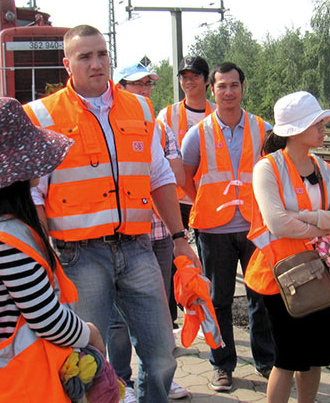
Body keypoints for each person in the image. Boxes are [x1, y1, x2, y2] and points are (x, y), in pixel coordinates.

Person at [22, 24, 200, 402]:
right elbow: (34, 195)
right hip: (78, 255)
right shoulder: (40, 115)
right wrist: (45, 256)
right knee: (87, 358)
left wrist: (180, 239)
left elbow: (159, 175)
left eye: (102, 54)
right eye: (85, 56)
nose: (96, 63)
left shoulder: (138, 107)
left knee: (162, 355)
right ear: (66, 63)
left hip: (137, 248)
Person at [0, 97, 105, 402]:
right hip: (24, 389)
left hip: (1, 388)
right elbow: (48, 320)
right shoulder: (4, 237)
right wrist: (90, 334)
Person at [245, 91, 330, 402]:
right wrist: (324, 224)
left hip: (319, 273)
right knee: (288, 358)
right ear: (293, 130)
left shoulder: (326, 170)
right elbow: (276, 223)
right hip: (281, 278)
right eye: (316, 122)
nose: (323, 126)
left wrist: (307, 218)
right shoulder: (267, 168)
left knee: (315, 357)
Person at [180, 62, 276, 391]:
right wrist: (206, 202)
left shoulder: (262, 130)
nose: (229, 92)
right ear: (212, 90)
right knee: (218, 300)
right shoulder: (198, 134)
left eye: (234, 85)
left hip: (255, 228)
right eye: (222, 86)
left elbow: (276, 172)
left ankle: (266, 362)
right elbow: (186, 177)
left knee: (261, 295)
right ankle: (223, 364)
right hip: (213, 230)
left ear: (243, 87)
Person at [109, 62, 189, 401]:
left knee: (158, 312)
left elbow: (175, 177)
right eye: (137, 85)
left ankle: (158, 379)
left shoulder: (159, 128)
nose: (145, 91)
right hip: (124, 236)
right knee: (117, 319)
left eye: (148, 85)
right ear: (120, 87)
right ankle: (120, 381)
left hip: (159, 237)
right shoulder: (108, 127)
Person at [157, 56, 216, 326]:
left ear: (206, 80)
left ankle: (205, 313)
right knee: (171, 258)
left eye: (194, 76)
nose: (188, 81)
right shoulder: (167, 115)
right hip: (175, 199)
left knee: (206, 260)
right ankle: (170, 319)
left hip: (208, 199)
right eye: (184, 77)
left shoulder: (218, 112)